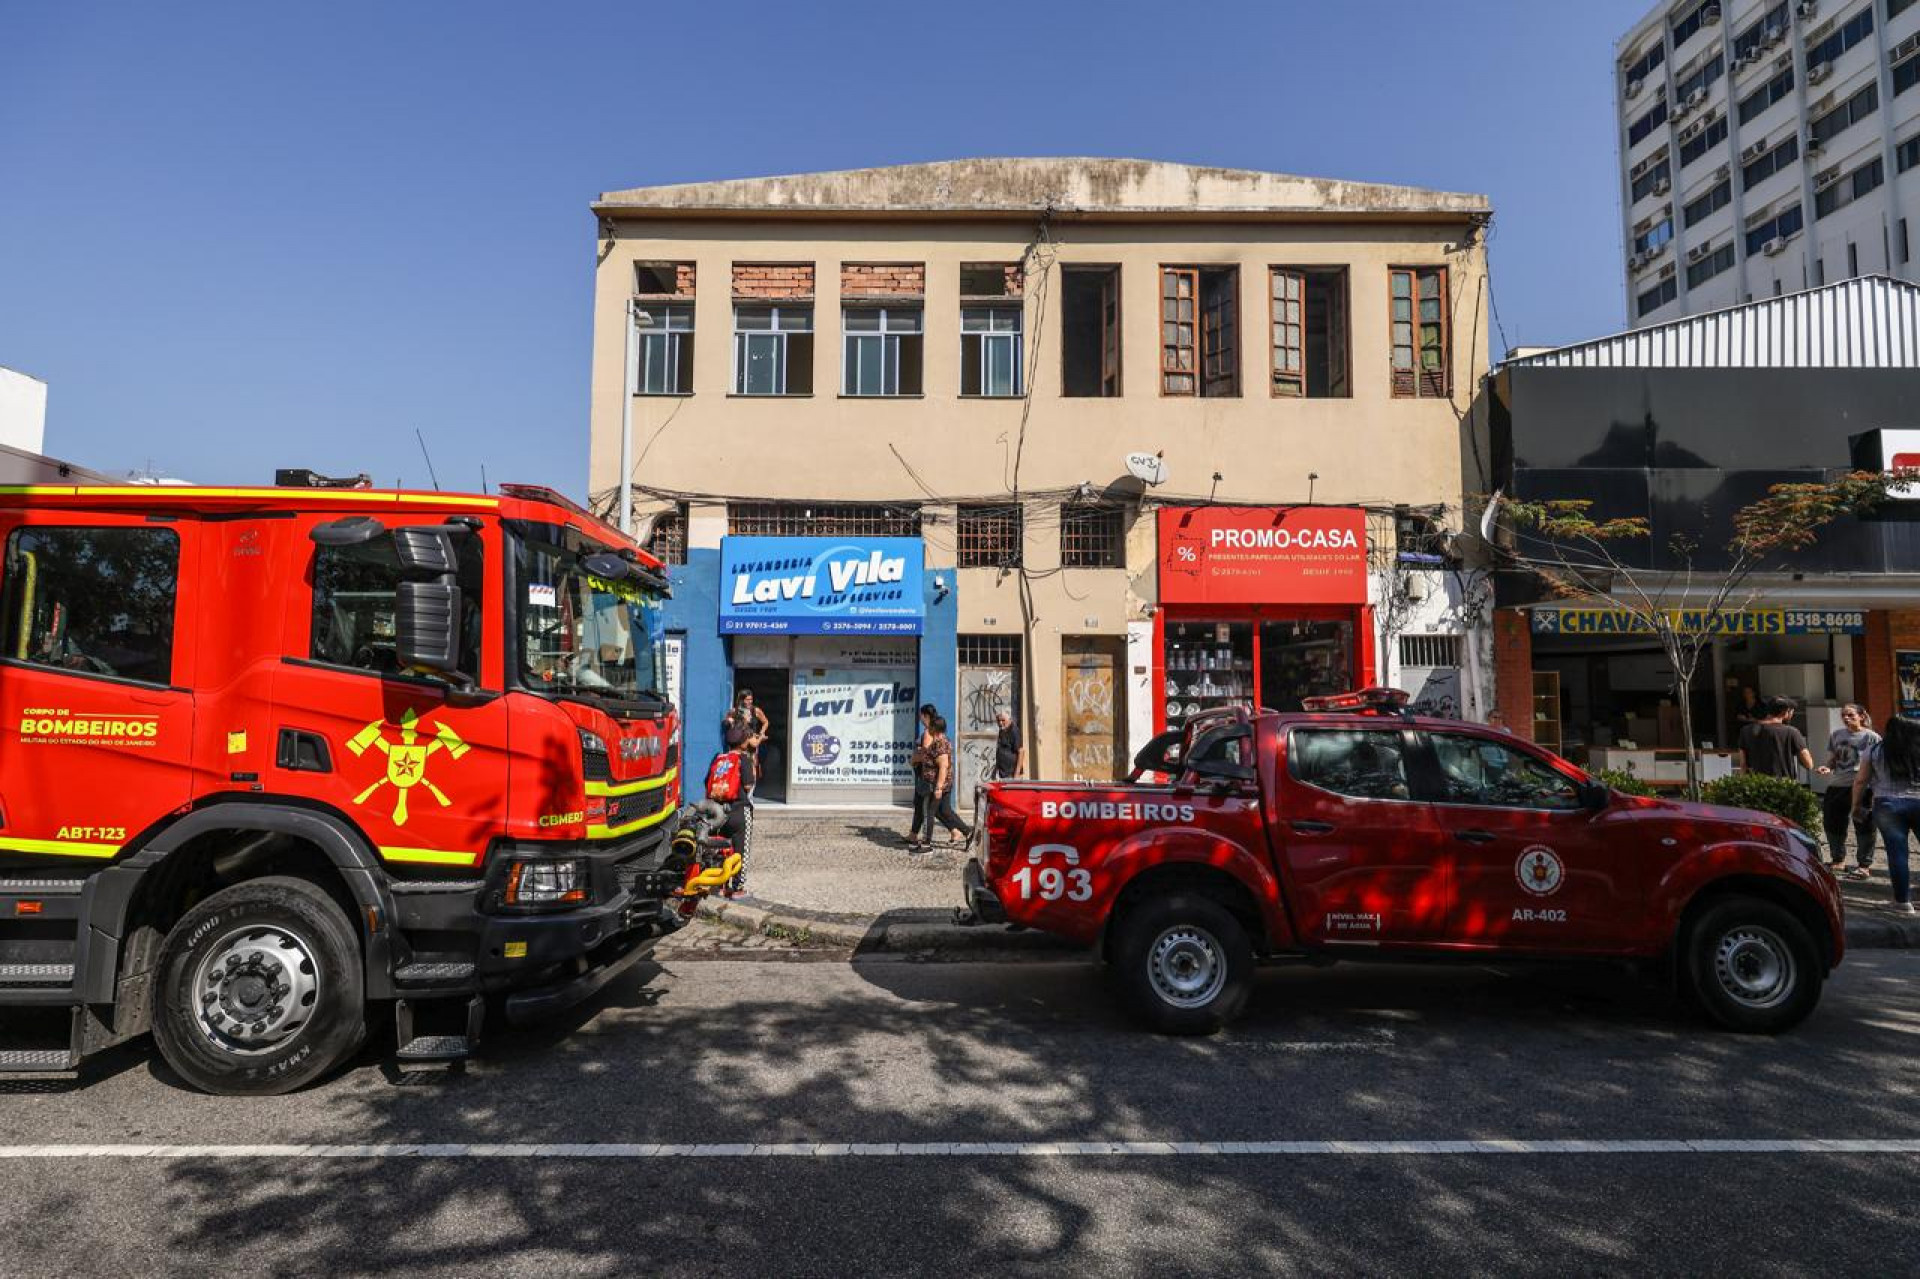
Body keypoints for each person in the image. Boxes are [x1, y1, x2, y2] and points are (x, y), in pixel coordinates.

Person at [1852, 714, 1920, 916]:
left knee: (1897, 854)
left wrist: (1855, 806)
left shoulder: (1874, 751)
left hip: (1887, 805)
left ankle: (1902, 903)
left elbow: (1860, 781)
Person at [1816, 703, 1878, 880]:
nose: (1846, 718)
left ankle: (1864, 865)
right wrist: (1827, 767)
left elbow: (1878, 764)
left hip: (1863, 787)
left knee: (1864, 824)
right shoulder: (1836, 735)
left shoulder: (1872, 737)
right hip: (1837, 786)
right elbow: (1834, 758)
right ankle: (1838, 860)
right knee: (1832, 822)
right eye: (1843, 715)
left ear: (1862, 716)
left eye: (1850, 715)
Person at [912, 714, 970, 851]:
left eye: (931, 726)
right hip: (939, 783)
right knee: (944, 811)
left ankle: (926, 844)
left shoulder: (941, 744)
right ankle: (968, 832)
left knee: (929, 812)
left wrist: (938, 788)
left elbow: (943, 767)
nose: (928, 728)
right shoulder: (938, 741)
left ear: (935, 728)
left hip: (937, 784)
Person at [1739, 697, 1814, 782]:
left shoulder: (1746, 731)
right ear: (1785, 712)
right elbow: (1808, 764)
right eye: (1791, 711)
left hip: (1756, 785)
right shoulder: (1792, 732)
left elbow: (1743, 764)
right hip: (1783, 785)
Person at [722, 690, 769, 794]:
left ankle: (748, 795)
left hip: (751, 743)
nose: (750, 702)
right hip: (739, 745)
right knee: (738, 769)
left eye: (751, 699)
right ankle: (741, 794)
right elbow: (727, 723)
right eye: (747, 699)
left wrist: (761, 734)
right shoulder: (734, 711)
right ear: (741, 700)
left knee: (752, 769)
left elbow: (765, 722)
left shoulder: (756, 711)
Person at [906, 703, 937, 846]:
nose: (919, 718)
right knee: (920, 805)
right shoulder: (929, 730)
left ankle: (926, 840)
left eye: (921, 715)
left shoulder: (929, 732)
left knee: (928, 809)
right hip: (922, 773)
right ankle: (913, 834)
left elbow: (925, 754)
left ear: (926, 716)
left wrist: (913, 760)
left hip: (924, 774)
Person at [992, 709, 1024, 780]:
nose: (1000, 723)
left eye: (1003, 720)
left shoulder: (1014, 731)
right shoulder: (1002, 731)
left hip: (1012, 774)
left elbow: (1021, 752)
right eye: (998, 720)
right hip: (1004, 774)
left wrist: (1016, 774)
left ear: (1009, 719)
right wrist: (996, 769)